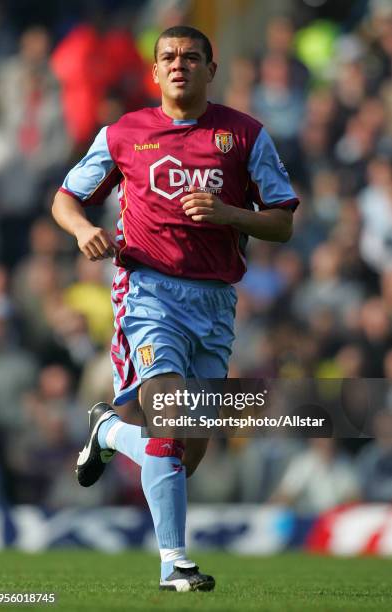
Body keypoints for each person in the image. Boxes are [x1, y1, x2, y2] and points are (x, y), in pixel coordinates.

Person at [51, 25, 299, 592]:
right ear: (156, 72)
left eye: (191, 57)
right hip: (149, 291)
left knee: (185, 454)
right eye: (168, 57)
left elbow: (282, 221)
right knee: (169, 421)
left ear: (212, 69)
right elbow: (65, 198)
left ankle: (110, 433)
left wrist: (230, 214)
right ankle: (174, 566)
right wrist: (84, 228)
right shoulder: (123, 133)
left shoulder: (245, 136)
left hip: (215, 302)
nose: (179, 65)